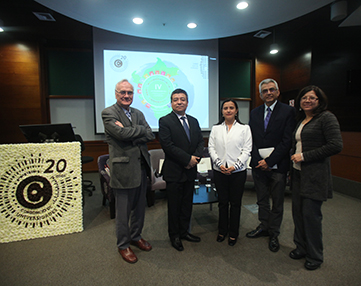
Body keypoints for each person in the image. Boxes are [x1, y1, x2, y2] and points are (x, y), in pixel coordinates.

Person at [102, 79, 155, 264]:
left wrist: (132, 130)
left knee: (139, 209)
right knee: (123, 212)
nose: (126, 96)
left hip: (141, 167)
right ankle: (123, 245)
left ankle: (136, 236)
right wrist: (137, 132)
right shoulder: (108, 113)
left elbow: (150, 134)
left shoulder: (138, 113)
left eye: (130, 93)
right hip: (123, 169)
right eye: (122, 92)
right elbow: (121, 135)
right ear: (116, 94)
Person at [289, 85, 342, 270]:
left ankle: (315, 256)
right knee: (297, 213)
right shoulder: (301, 120)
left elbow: (336, 145)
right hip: (297, 174)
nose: (307, 101)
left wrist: (304, 156)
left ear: (319, 100)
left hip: (315, 176)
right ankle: (301, 248)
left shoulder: (326, 118)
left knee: (311, 216)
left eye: (312, 98)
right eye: (304, 98)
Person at [246, 78, 296, 252]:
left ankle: (274, 232)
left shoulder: (288, 111)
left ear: (278, 91)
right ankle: (264, 226)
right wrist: (258, 161)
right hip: (259, 166)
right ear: (260, 94)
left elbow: (287, 141)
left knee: (277, 202)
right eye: (265, 90)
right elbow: (250, 139)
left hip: (278, 166)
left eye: (272, 89)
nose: (268, 93)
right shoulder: (254, 113)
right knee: (262, 200)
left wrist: (270, 161)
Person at [158, 88, 204, 251]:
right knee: (174, 206)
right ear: (171, 103)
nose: (179, 102)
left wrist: (195, 159)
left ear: (187, 102)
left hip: (190, 171)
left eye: (182, 99)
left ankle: (185, 232)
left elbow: (200, 142)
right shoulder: (165, 121)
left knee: (187, 204)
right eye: (176, 99)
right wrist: (187, 159)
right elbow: (167, 146)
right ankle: (175, 235)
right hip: (175, 171)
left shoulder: (194, 121)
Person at [208, 99, 252, 246]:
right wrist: (219, 164)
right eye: (225, 108)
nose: (228, 110)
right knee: (222, 202)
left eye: (231, 108)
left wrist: (235, 165)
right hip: (219, 171)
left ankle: (233, 233)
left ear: (236, 110)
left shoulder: (244, 128)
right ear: (222, 111)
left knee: (235, 203)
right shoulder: (215, 128)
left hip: (237, 172)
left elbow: (247, 150)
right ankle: (222, 230)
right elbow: (211, 148)